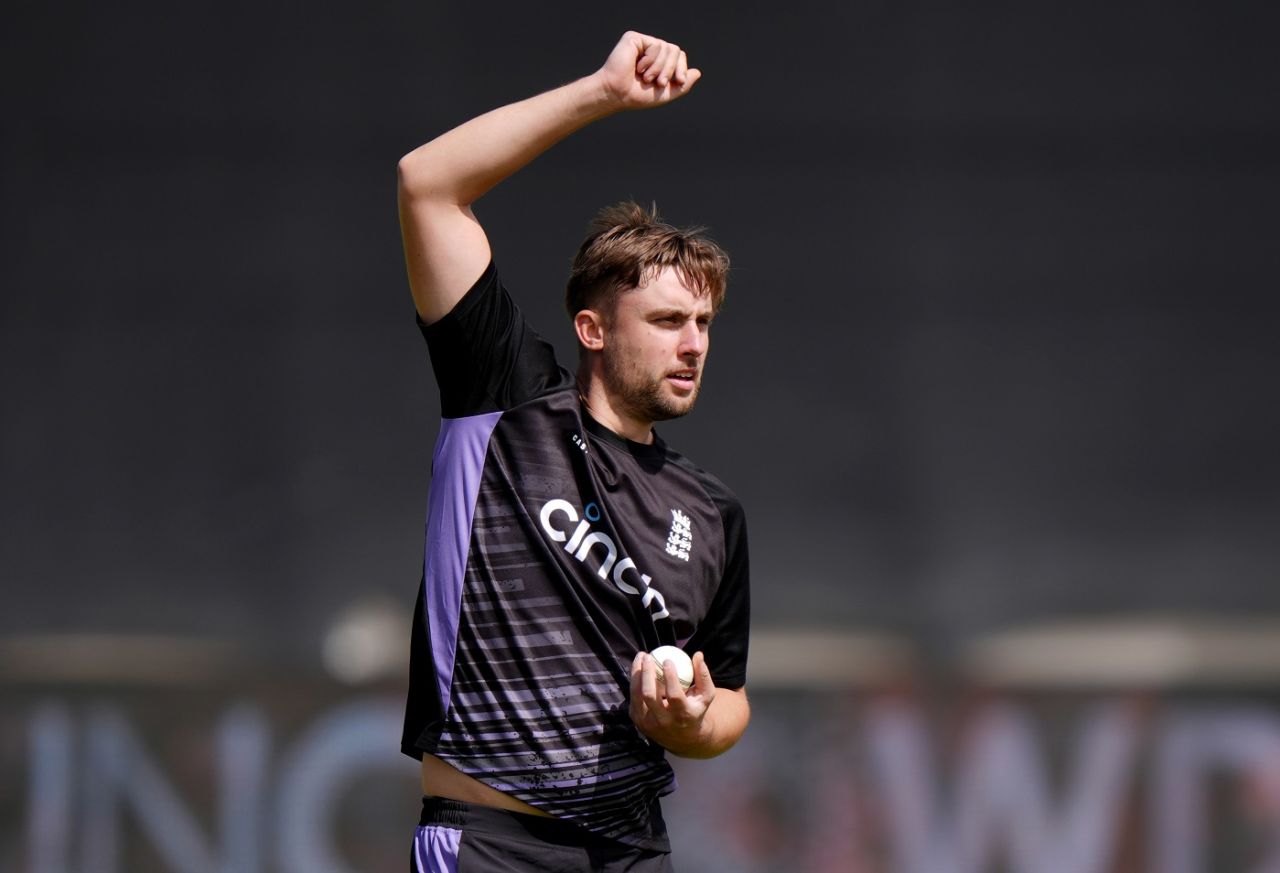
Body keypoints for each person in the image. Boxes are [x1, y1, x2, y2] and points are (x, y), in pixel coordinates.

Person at [397, 31, 751, 872]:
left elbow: (731, 696)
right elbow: (427, 186)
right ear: (592, 329)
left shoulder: (711, 512)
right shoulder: (504, 398)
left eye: (702, 323)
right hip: (489, 841)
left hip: (631, 850)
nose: (692, 343)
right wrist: (602, 92)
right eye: (667, 321)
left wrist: (694, 722)